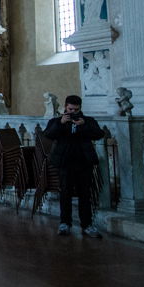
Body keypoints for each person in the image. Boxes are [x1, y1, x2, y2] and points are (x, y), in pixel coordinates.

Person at [43, 94, 105, 238]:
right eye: (70, 109)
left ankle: (87, 225)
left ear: (80, 109)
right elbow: (48, 135)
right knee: (65, 193)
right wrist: (61, 123)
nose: (73, 112)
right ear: (65, 107)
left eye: (76, 110)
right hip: (65, 162)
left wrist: (83, 126)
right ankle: (65, 223)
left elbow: (99, 134)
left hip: (84, 162)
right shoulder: (57, 121)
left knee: (85, 194)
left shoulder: (88, 121)